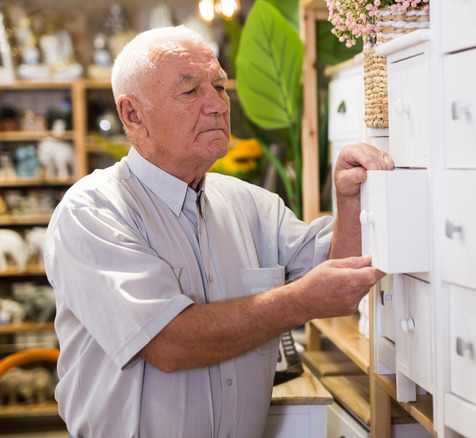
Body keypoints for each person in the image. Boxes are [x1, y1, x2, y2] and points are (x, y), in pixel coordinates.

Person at [43, 26, 393, 437]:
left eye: (220, 86)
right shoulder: (93, 212)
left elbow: (341, 280)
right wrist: (297, 301)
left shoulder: (251, 204)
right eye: (190, 92)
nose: (217, 105)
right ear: (133, 115)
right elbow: (170, 344)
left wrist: (349, 201)